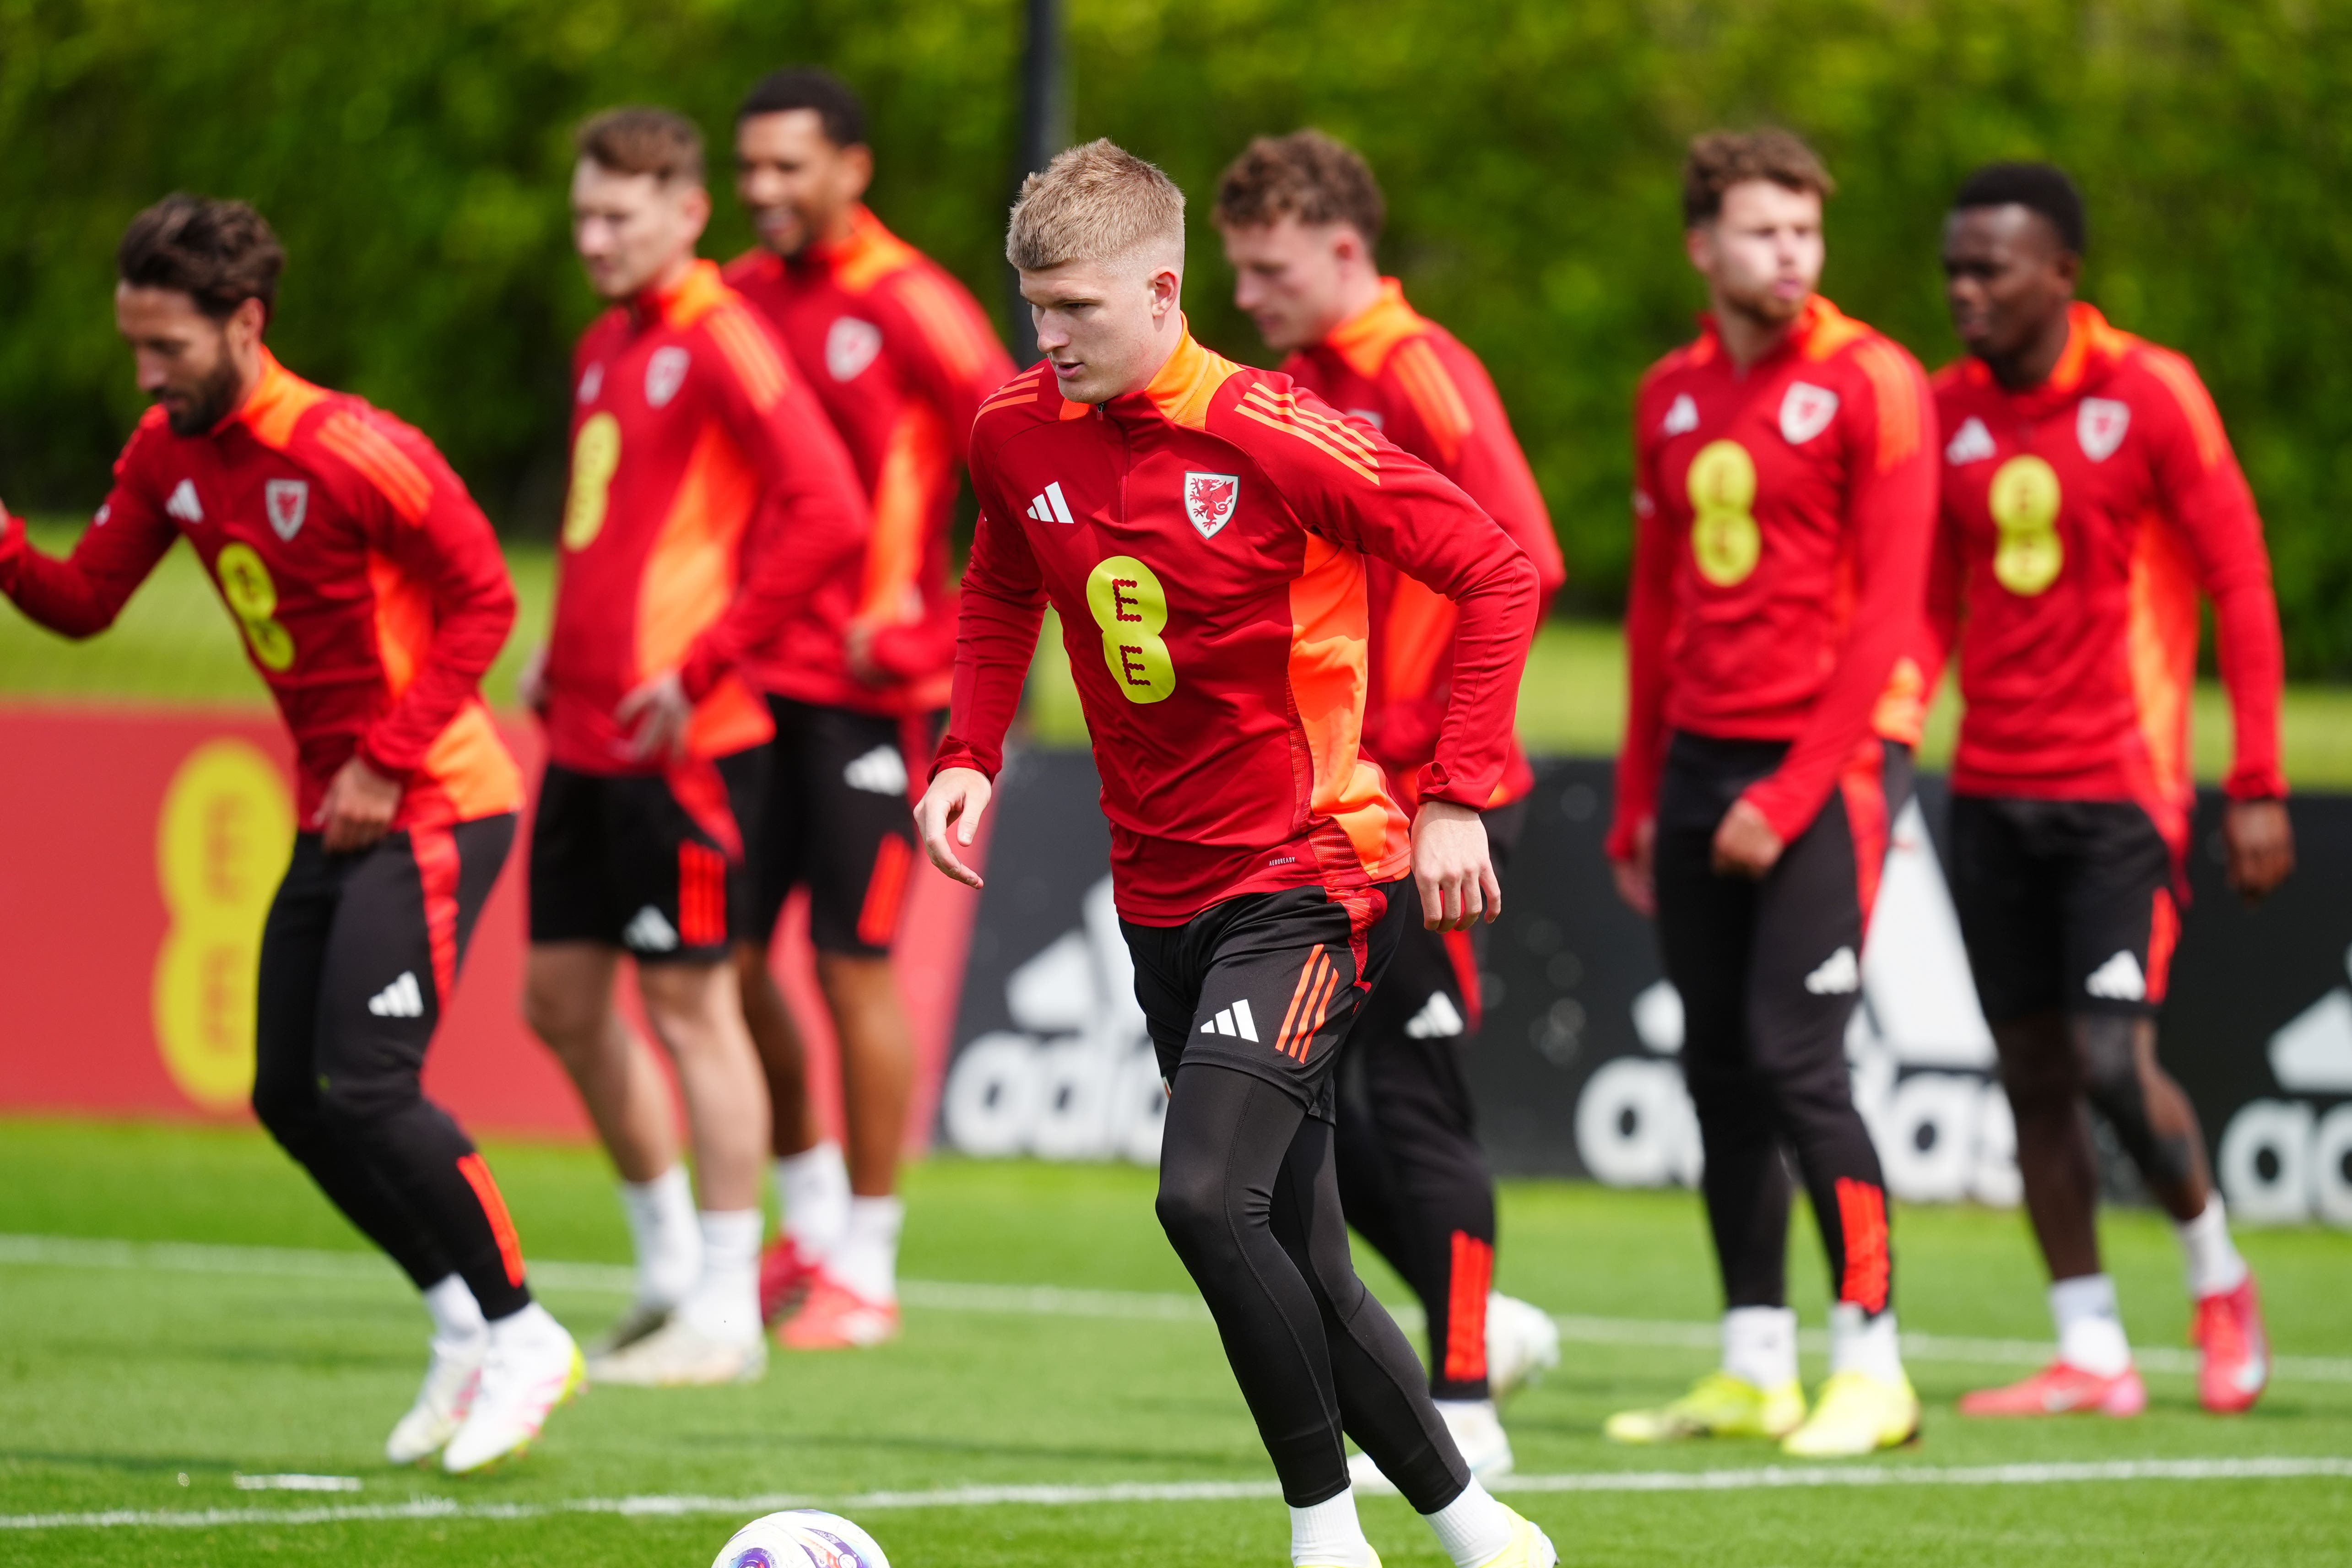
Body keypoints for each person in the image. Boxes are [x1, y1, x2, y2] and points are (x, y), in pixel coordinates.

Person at [915, 139, 1554, 1568]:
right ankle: (1479, 1529)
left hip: (1310, 873)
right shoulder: (1014, 431)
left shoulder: (1280, 430)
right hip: (1156, 892)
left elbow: (1497, 565)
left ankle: (1323, 1536)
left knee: (1202, 1195)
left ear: (1162, 287)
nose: (1049, 337)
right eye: (1033, 308)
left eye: (1075, 308)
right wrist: (964, 757)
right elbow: (998, 588)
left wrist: (1454, 792)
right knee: (1303, 1249)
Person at [0, 195, 576, 1473]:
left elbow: (486, 599)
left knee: (370, 1085)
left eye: (170, 351)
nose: (149, 378)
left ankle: (527, 1329)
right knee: (285, 1094)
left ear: (245, 322)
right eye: (135, 350)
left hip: (435, 798)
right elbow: (87, 601)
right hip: (340, 809)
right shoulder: (167, 451)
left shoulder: (353, 447)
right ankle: (457, 1320)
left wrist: (384, 755)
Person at [1214, 129, 1566, 1484]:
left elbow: (1520, 555)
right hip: (1336, 805)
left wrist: (1435, 762)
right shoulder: (1294, 382)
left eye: (1269, 267)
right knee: (1329, 1116)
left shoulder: (1422, 371)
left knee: (1411, 1107)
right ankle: (1482, 1335)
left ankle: (1465, 1395)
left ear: (1345, 247)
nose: (1248, 295)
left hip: (1435, 802)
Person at [1929, 163, 2291, 1419]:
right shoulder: (1945, 410)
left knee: (2106, 1059)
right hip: (1985, 790)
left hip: (2117, 796)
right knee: (2029, 1070)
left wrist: (2254, 778)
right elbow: (1925, 602)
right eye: (1954, 270)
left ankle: (2216, 1277)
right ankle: (2090, 1347)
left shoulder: (2150, 393)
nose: (1965, 291)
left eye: (1991, 269)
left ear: (2061, 274)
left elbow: (2239, 582)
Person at [519, 108, 869, 1386]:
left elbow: (828, 508)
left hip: (693, 746)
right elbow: (609, 529)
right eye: (584, 215)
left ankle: (728, 1307)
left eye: (620, 215)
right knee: (557, 1001)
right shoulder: (607, 341)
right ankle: (669, 1271)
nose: (596, 238)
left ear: (686, 213)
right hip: (584, 732)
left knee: (690, 1003)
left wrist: (708, 659)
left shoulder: (723, 335)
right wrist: (565, 651)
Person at [1603, 130, 1935, 1456]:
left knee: (1800, 1064)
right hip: (1696, 762)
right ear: (1702, 247)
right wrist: (1639, 795)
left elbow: (1893, 620)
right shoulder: (1670, 393)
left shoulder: (1874, 381)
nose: (1788, 255)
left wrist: (1792, 792)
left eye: (1804, 230)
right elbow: (1652, 608)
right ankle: (1754, 1362)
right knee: (1718, 1067)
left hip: (1828, 765)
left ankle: (1874, 1360)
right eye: (1761, 232)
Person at [722, 67, 1017, 1349]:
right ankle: (807, 1217)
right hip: (747, 683)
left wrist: (921, 618)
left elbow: (1022, 442)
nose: (764, 192)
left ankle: (872, 1266)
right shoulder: (731, 301)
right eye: (750, 171)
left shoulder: (914, 307)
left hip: (868, 697)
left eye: (789, 168)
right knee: (721, 962)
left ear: (855, 167)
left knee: (852, 969)